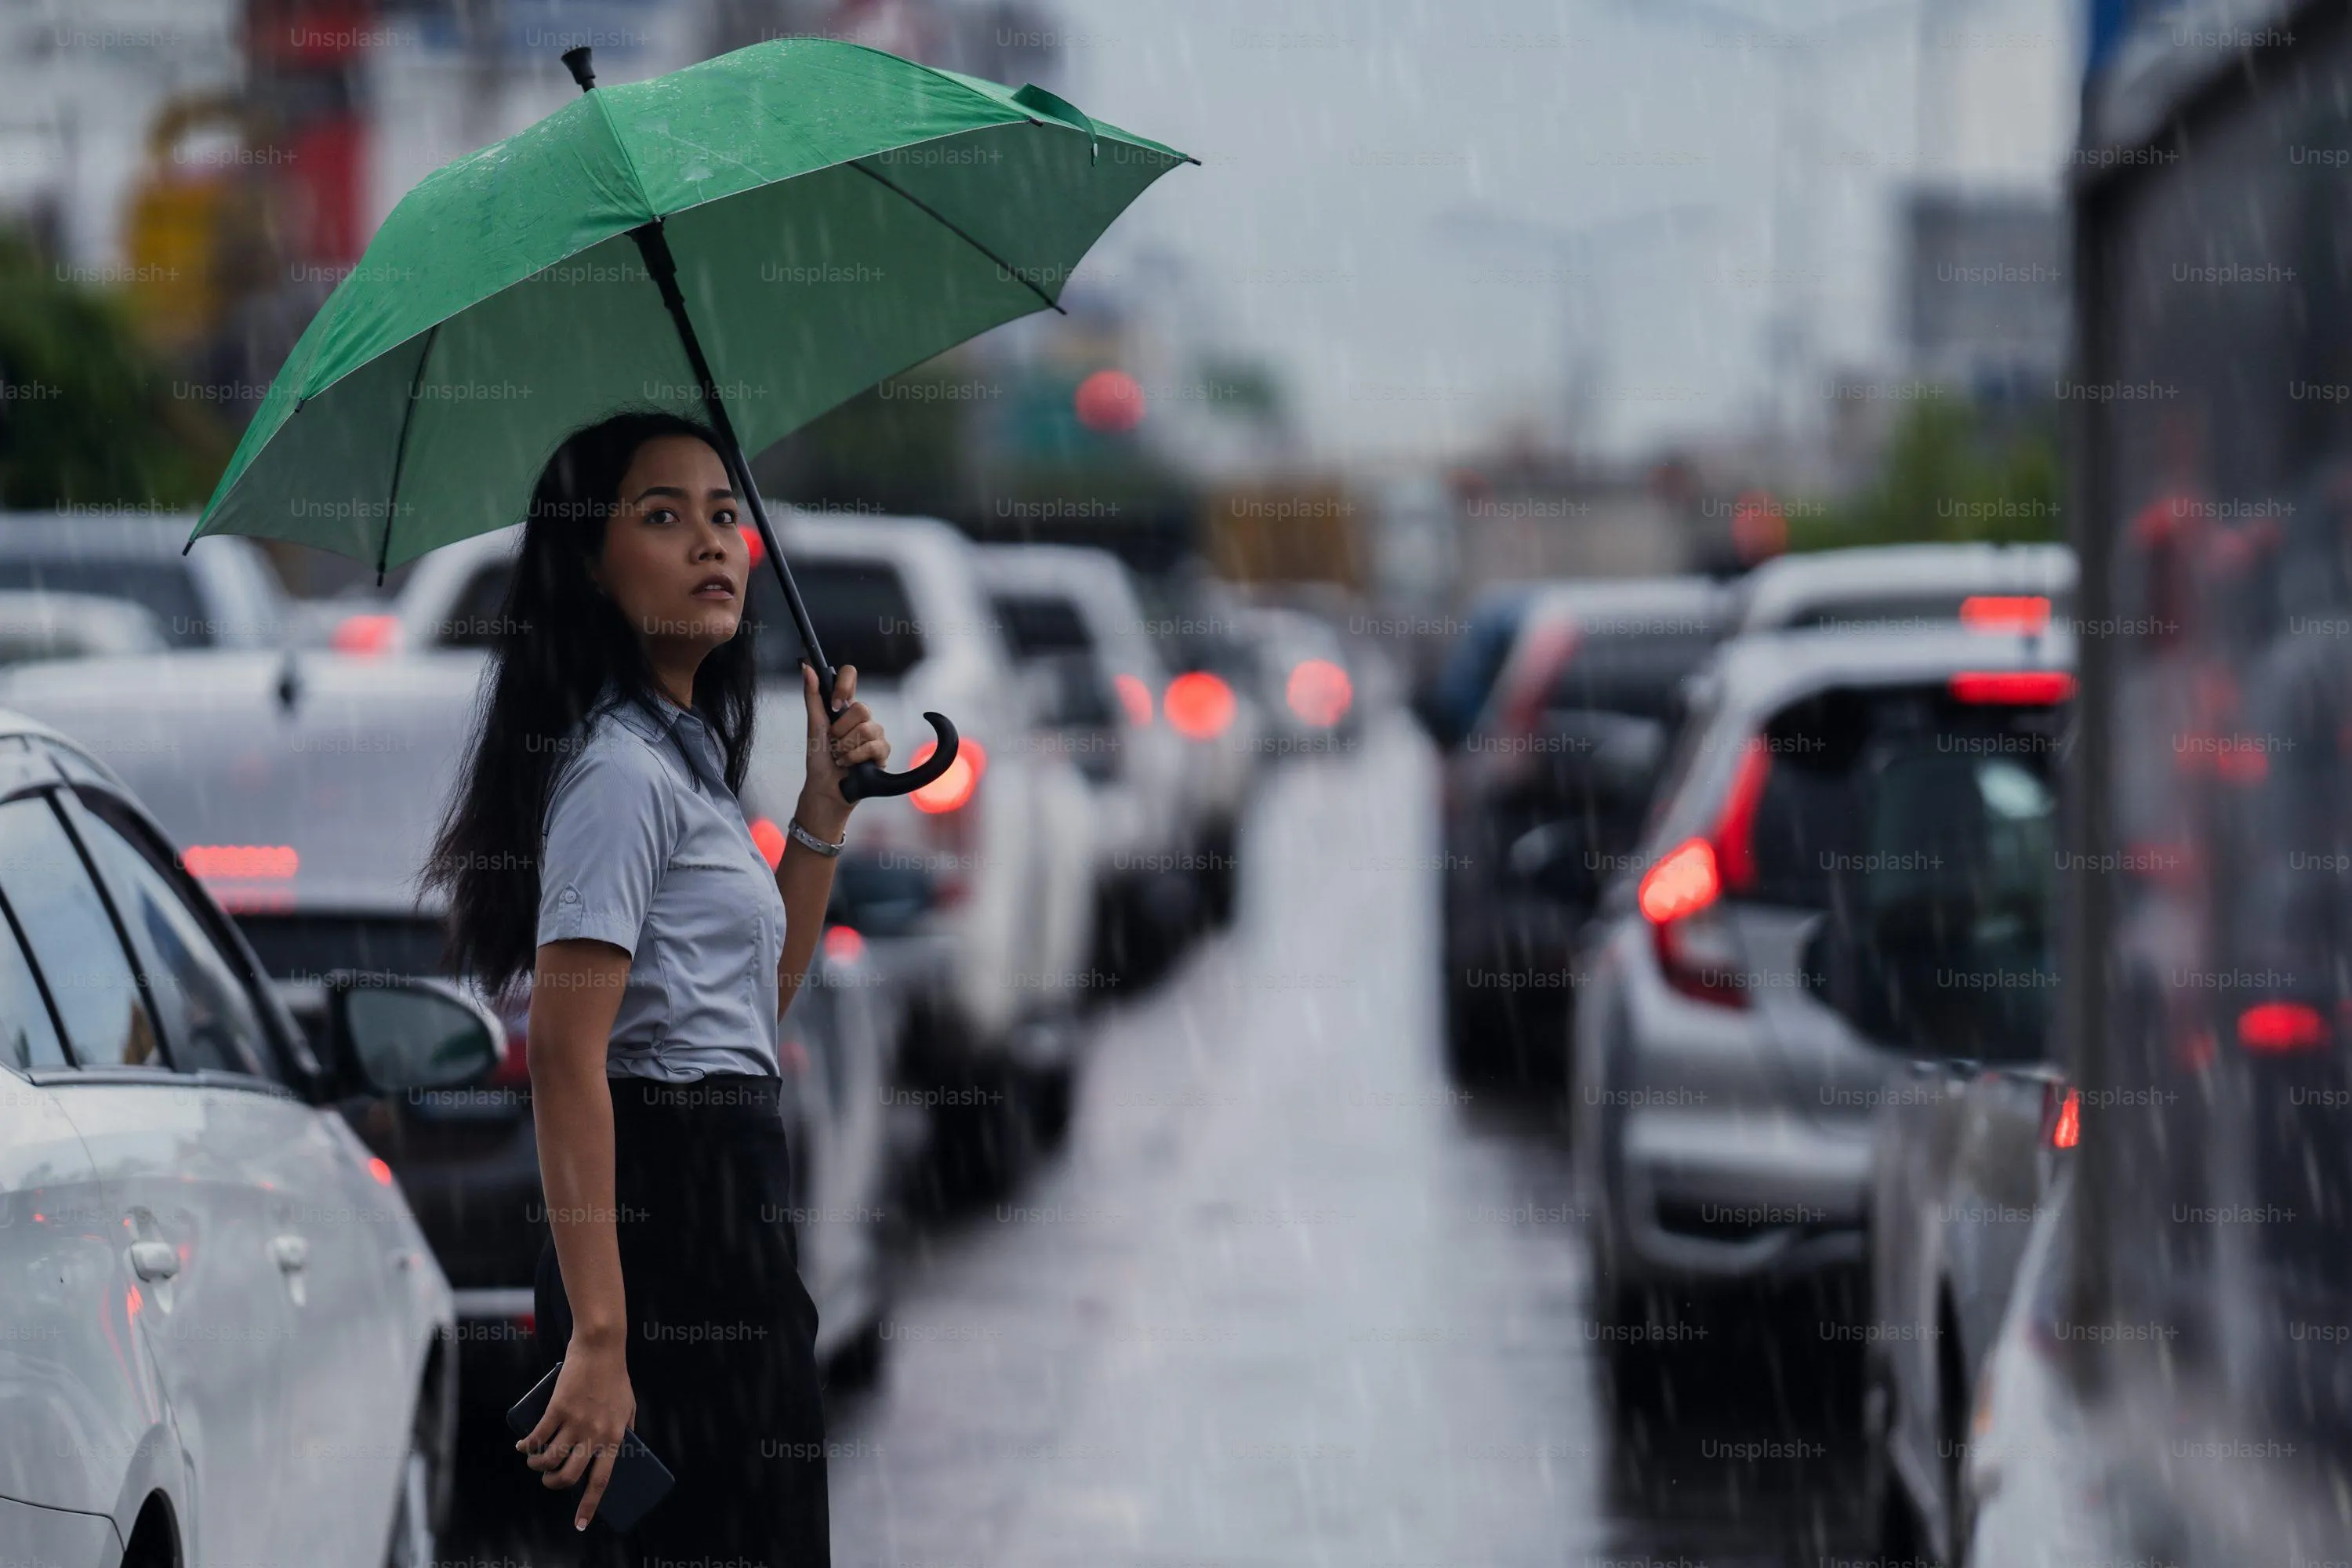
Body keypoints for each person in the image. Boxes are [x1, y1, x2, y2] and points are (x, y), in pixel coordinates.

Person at [423, 410, 888, 1566]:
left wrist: (821, 815)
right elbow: (571, 1061)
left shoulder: (682, 762)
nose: (712, 543)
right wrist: (599, 1335)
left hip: (732, 1211)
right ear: (590, 563)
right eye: (664, 516)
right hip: (663, 1227)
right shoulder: (618, 776)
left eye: (726, 515)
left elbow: (741, 1019)